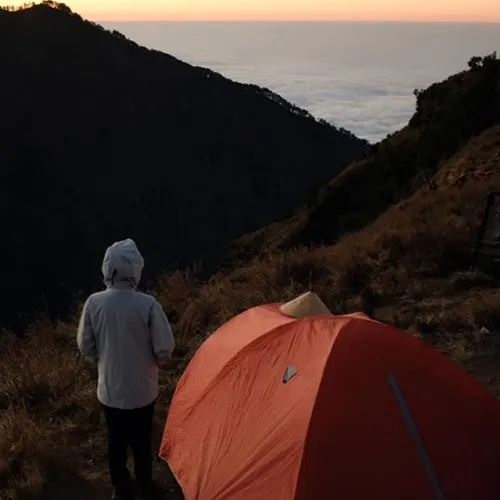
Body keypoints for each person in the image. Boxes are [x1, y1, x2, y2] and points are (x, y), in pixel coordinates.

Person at [77, 238, 176, 500]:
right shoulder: (148, 305)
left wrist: (102, 361)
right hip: (143, 389)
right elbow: (164, 348)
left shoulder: (94, 303)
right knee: (142, 440)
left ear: (107, 268)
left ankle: (121, 487)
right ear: (135, 270)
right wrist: (156, 363)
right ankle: (145, 483)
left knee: (116, 440)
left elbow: (85, 344)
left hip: (109, 389)